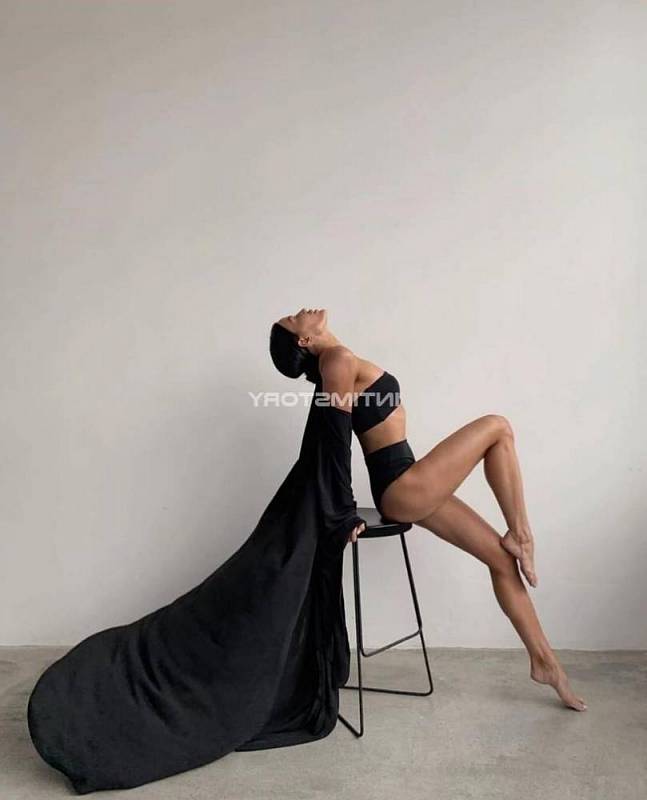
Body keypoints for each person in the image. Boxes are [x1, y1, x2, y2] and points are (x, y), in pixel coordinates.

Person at [273, 307, 587, 712]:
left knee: (501, 561)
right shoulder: (337, 360)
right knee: (497, 427)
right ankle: (523, 535)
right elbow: (333, 443)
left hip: (410, 480)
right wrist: (343, 511)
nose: (299, 312)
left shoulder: (338, 361)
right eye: (292, 319)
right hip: (402, 487)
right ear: (304, 340)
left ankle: (545, 663)